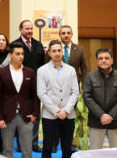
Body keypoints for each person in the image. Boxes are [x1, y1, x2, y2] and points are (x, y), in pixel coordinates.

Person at [46, 25, 88, 153]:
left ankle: (68, 144)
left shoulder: (79, 49)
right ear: (59, 34)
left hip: (72, 90)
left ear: (72, 34)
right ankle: (54, 143)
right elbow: (46, 68)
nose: (65, 35)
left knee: (69, 117)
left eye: (68, 33)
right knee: (55, 115)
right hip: (54, 89)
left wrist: (84, 87)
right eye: (63, 33)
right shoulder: (54, 49)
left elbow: (85, 69)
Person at [0, 42, 40, 158]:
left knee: (27, 151)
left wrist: (35, 113)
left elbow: (35, 94)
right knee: (7, 151)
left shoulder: (29, 72)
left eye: (22, 54)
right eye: (17, 54)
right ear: (10, 55)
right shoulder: (1, 73)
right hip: (7, 116)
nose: (21, 56)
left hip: (26, 116)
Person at [37, 40, 79, 158]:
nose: (57, 53)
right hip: (49, 115)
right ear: (49, 53)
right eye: (54, 51)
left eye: (59, 50)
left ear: (62, 52)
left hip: (68, 114)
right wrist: (57, 111)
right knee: (47, 149)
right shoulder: (42, 70)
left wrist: (65, 110)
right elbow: (41, 93)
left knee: (67, 149)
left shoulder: (71, 70)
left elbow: (75, 92)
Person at [83, 48, 117, 149]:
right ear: (97, 61)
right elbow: (87, 97)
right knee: (95, 153)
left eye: (107, 58)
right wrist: (101, 115)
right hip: (96, 121)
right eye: (100, 58)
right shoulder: (90, 77)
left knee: (116, 154)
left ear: (112, 60)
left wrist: (110, 116)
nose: (103, 60)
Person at [14, 20, 45, 152]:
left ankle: (33, 143)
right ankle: (22, 144)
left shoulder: (38, 45)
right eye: (27, 29)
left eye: (31, 29)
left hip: (37, 85)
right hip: (20, 85)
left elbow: (43, 66)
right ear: (20, 29)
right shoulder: (15, 45)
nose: (29, 31)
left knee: (35, 114)